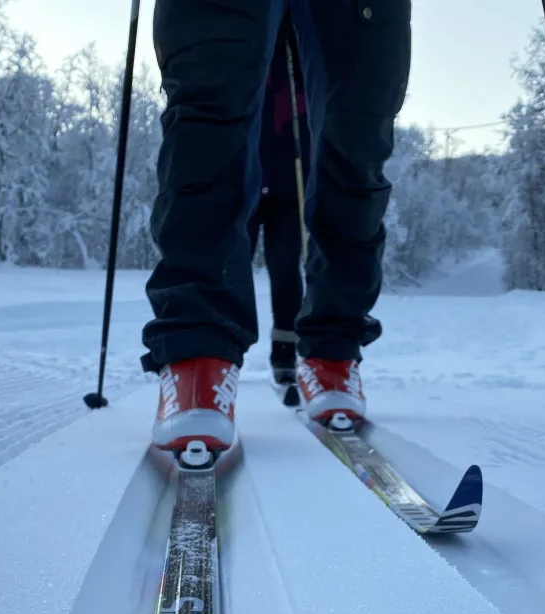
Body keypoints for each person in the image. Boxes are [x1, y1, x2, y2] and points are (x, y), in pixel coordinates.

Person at [144, 0, 411, 452]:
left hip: (286, 192)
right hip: (261, 189)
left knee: (359, 127)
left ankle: (331, 347)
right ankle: (198, 355)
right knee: (210, 98)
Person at [249, 17, 310, 390]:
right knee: (231, 264)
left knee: (286, 269)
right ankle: (221, 355)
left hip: (290, 181)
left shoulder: (299, 48)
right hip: (248, 177)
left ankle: (285, 353)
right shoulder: (249, 39)